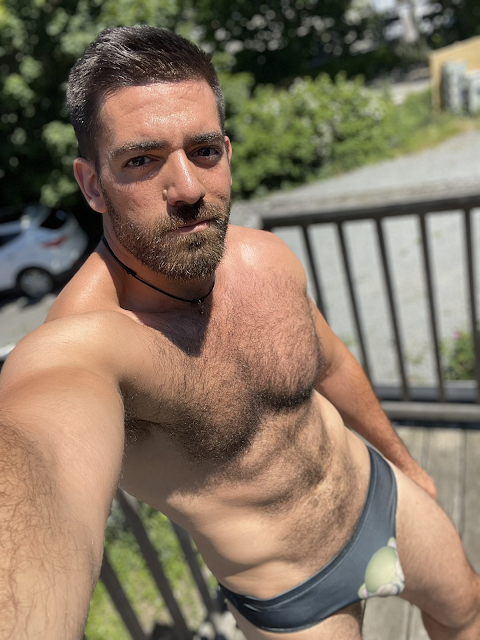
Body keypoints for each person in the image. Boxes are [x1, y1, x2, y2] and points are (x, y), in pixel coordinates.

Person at [0, 25, 479, 640]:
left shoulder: (265, 260)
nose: (187, 189)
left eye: (203, 151)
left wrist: (406, 464)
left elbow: (330, 363)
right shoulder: (87, 342)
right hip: (291, 597)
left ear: (226, 151)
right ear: (92, 183)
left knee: (466, 611)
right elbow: (39, 460)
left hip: (379, 495)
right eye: (141, 160)